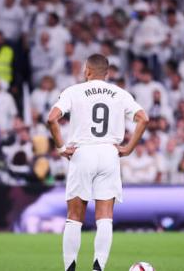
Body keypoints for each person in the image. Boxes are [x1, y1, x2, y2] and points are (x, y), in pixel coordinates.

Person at [47, 54, 148, 271]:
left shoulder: (74, 91)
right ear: (108, 73)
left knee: (74, 217)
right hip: (109, 154)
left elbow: (52, 118)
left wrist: (61, 148)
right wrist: (128, 148)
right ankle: (97, 268)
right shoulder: (120, 93)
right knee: (105, 217)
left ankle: (70, 269)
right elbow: (144, 118)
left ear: (87, 71)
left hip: (82, 152)